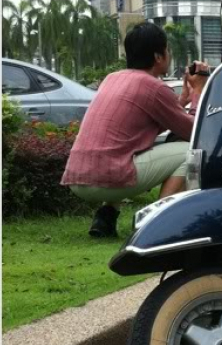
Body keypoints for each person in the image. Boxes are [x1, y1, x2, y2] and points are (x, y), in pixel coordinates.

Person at [61, 22, 208, 238]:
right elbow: (195, 132)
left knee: (121, 151)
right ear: (158, 57)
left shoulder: (112, 78)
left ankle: (106, 216)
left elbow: (142, 122)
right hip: (108, 178)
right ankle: (155, 224)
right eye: (167, 50)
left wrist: (183, 99)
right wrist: (198, 91)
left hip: (78, 177)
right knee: (189, 152)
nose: (169, 54)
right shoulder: (155, 87)